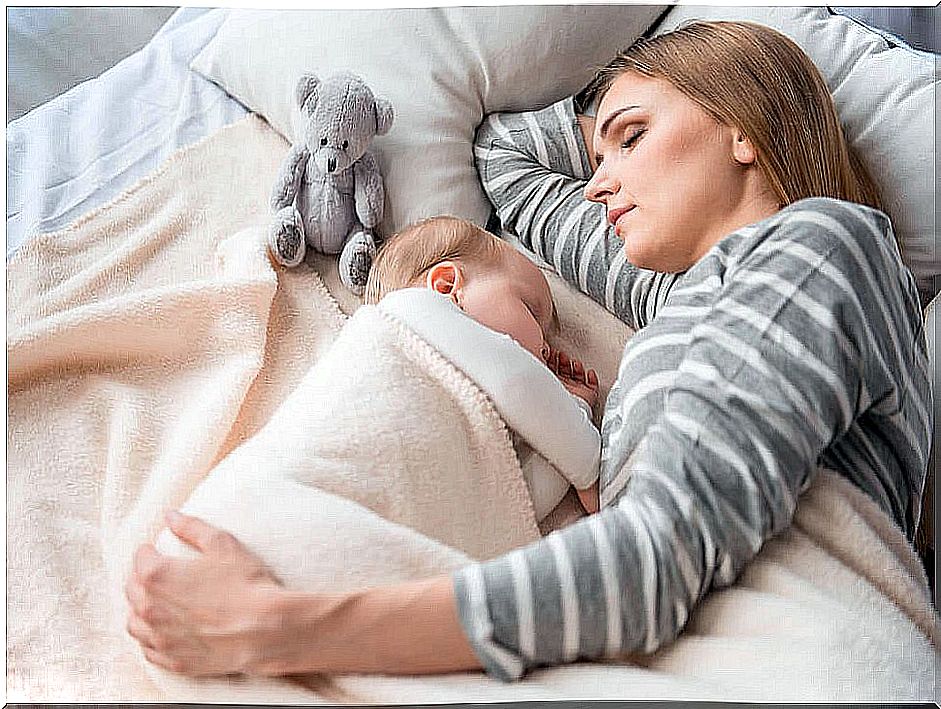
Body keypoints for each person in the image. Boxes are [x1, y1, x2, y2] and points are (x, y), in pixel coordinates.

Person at [125, 20, 931, 681]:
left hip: (808, 655)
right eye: (598, 154)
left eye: (633, 138)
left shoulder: (825, 240)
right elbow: (502, 155)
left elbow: (656, 559)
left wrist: (273, 624)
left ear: (742, 131)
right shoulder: (679, 301)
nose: (596, 182)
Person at [363, 214, 602, 518]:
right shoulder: (409, 312)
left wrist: (576, 405)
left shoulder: (479, 428)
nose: (545, 348)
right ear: (447, 285)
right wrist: (587, 460)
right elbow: (515, 382)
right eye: (529, 308)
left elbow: (514, 510)